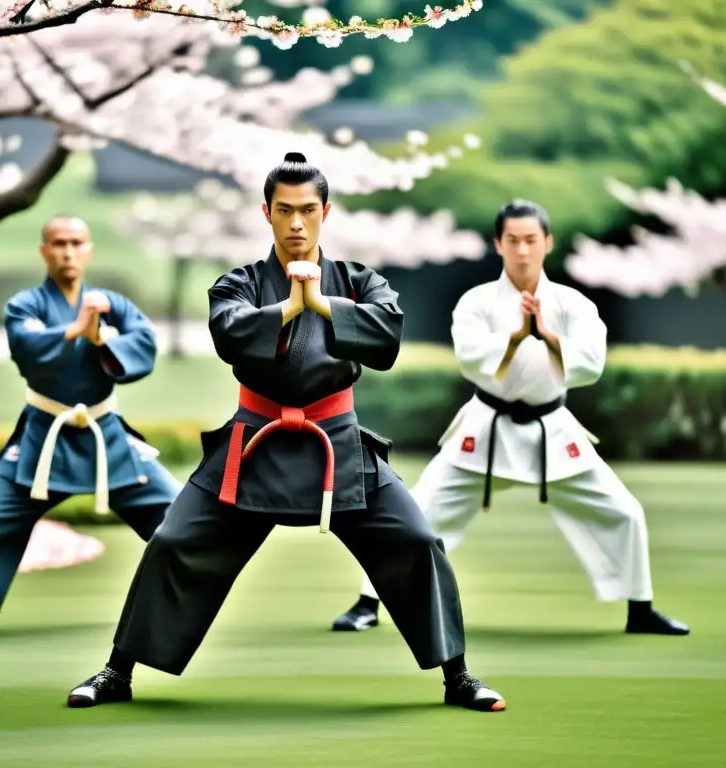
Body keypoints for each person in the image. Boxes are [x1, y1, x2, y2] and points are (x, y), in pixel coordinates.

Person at [65, 153, 506, 713]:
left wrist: (320, 303)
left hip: (337, 444)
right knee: (174, 543)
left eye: (307, 210)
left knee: (416, 542)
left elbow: (386, 338)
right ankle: (117, 671)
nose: (296, 223)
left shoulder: (358, 280)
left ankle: (458, 677)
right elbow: (229, 333)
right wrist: (285, 309)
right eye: (284, 211)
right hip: (253, 443)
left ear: (326, 212)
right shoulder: (239, 283)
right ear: (266, 214)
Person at [331, 199, 689, 638]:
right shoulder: (476, 302)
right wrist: (517, 338)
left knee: (624, 511)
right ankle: (369, 601)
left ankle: (641, 609)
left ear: (547, 243)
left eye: (531, 241)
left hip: (552, 430)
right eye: (513, 241)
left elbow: (592, 362)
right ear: (498, 244)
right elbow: (471, 359)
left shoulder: (573, 304)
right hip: (486, 427)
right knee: (417, 510)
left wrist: (550, 337)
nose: (522, 251)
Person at [0, 215, 182, 641]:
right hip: (42, 438)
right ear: (44, 251)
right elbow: (28, 348)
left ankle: (188, 605)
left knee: (178, 515)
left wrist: (101, 337)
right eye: (59, 243)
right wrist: (75, 330)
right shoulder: (24, 305)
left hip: (105, 436)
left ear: (89, 251)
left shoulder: (109, 304)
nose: (68, 251)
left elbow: (143, 343)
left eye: (76, 243)